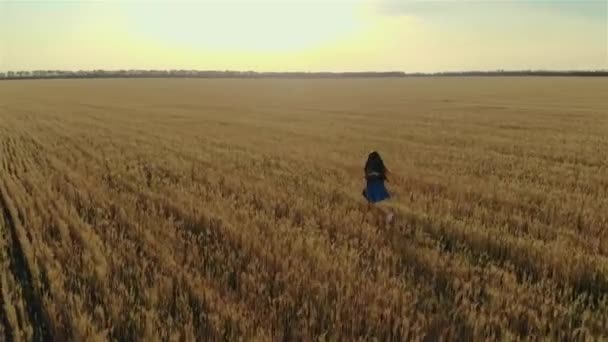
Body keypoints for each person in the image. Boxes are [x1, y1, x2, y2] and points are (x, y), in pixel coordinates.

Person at [362, 151, 394, 225]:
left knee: (373, 202)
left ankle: (388, 213)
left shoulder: (368, 165)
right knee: (372, 202)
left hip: (372, 185)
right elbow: (386, 173)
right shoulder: (380, 164)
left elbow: (366, 174)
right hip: (378, 184)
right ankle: (368, 217)